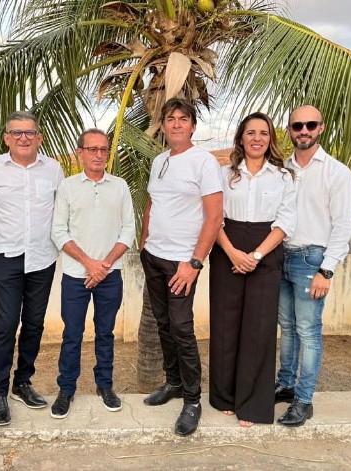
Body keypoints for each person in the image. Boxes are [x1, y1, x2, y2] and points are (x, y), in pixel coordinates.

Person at [140, 98, 223, 436]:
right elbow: (152, 203)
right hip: (153, 257)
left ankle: (192, 400)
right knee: (163, 324)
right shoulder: (159, 160)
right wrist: (144, 242)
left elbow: (214, 217)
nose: (176, 124)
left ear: (193, 126)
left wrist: (194, 263)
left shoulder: (204, 162)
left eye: (183, 118)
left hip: (182, 262)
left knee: (181, 328)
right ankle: (173, 382)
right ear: (163, 125)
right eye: (170, 118)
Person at [208, 112, 297, 428]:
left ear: (270, 139)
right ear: (241, 138)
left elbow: (285, 222)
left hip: (266, 251)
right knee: (225, 323)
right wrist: (233, 253)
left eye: (264, 133)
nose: (257, 138)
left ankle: (253, 404)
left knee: (259, 329)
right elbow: (213, 218)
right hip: (226, 248)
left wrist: (256, 255)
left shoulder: (284, 177)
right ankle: (224, 396)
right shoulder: (222, 174)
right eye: (251, 132)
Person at [0, 111, 64, 426]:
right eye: (16, 133)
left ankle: (22, 382)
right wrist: (1, 233)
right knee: (4, 325)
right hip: (8, 256)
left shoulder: (53, 169)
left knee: (33, 324)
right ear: (7, 138)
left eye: (29, 132)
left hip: (43, 257)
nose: (23, 138)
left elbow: (62, 210)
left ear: (39, 138)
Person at [276, 105, 351, 427]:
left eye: (310, 125)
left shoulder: (336, 172)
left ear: (321, 128)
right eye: (297, 126)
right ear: (290, 130)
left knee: (308, 331)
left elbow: (343, 226)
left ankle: (304, 399)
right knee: (287, 327)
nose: (304, 131)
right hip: (281, 256)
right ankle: (285, 384)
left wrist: (327, 270)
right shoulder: (282, 169)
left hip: (312, 260)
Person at [49, 129, 135, 419]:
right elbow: (58, 231)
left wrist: (104, 265)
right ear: (80, 152)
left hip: (110, 275)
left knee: (105, 333)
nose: (99, 155)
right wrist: (89, 263)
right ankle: (66, 389)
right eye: (92, 149)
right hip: (76, 274)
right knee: (72, 335)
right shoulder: (68, 187)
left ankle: (105, 386)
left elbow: (128, 230)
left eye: (103, 150)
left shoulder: (120, 186)